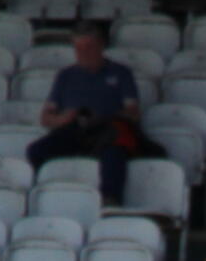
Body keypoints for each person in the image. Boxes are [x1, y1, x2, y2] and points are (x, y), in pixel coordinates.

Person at [24, 22, 152, 204]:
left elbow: (134, 113)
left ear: (101, 46)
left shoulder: (121, 73)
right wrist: (64, 118)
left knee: (114, 154)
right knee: (36, 151)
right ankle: (47, 199)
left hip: (107, 130)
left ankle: (110, 203)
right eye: (78, 49)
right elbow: (46, 118)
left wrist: (105, 115)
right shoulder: (65, 76)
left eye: (89, 47)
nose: (83, 53)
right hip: (74, 130)